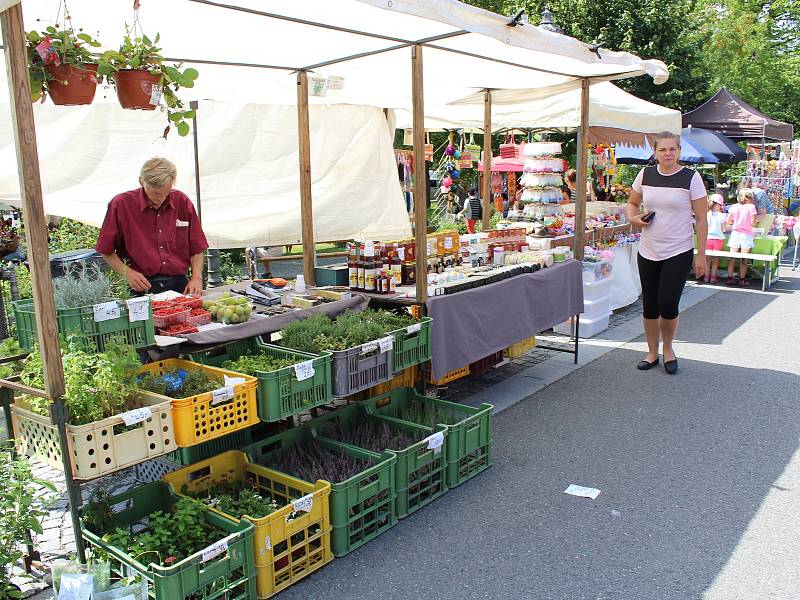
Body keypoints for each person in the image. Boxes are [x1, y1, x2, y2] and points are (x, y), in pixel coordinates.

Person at [626, 131, 708, 375]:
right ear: (655, 152)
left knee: (668, 303)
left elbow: (702, 219)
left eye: (672, 149)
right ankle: (652, 352)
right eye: (662, 150)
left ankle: (668, 349)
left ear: (679, 151)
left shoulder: (691, 178)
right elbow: (632, 203)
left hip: (678, 250)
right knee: (650, 305)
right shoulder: (645, 174)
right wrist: (634, 218)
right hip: (649, 249)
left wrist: (701, 255)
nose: (668, 154)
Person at [96, 157, 209, 295]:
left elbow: (197, 246)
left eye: (166, 193)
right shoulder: (121, 205)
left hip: (179, 285)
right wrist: (128, 273)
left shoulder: (182, 202)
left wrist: (196, 278)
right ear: (141, 181)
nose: (161, 198)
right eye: (155, 193)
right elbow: (105, 249)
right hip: (139, 286)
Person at [725, 188, 758, 286]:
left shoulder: (734, 206)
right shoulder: (751, 207)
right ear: (750, 198)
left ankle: (729, 278)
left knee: (732, 257)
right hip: (746, 234)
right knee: (744, 258)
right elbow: (753, 222)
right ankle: (742, 280)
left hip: (735, 234)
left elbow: (729, 221)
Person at [705, 194, 727, 284]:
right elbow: (724, 229)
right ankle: (713, 278)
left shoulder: (706, 215)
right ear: (719, 205)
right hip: (718, 239)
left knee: (707, 260)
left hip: (707, 239)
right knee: (715, 260)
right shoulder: (722, 216)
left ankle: (706, 277)